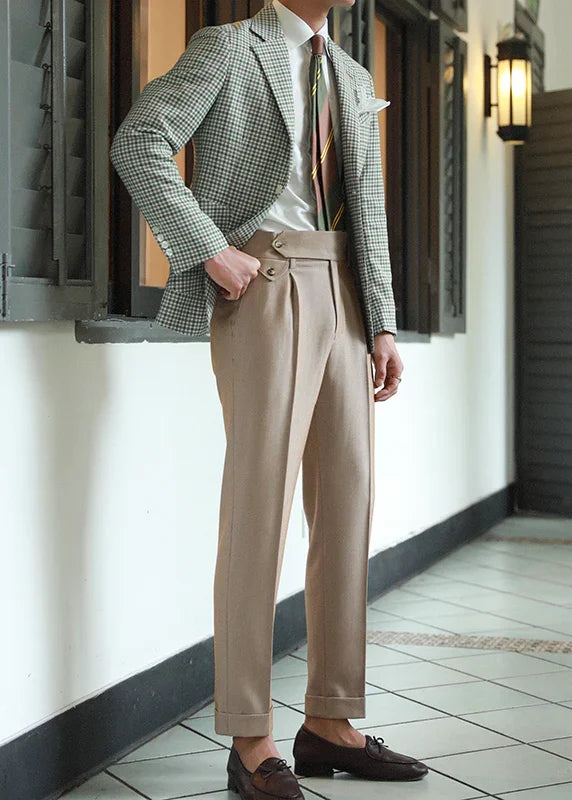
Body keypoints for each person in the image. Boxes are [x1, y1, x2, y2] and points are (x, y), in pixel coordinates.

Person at [110, 1, 426, 797]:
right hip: (268, 280)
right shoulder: (226, 49)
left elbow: (370, 210)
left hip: (345, 292)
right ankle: (250, 736)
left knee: (348, 504)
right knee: (260, 509)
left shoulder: (351, 75)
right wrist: (210, 250)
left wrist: (383, 322)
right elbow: (139, 143)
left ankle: (331, 721)